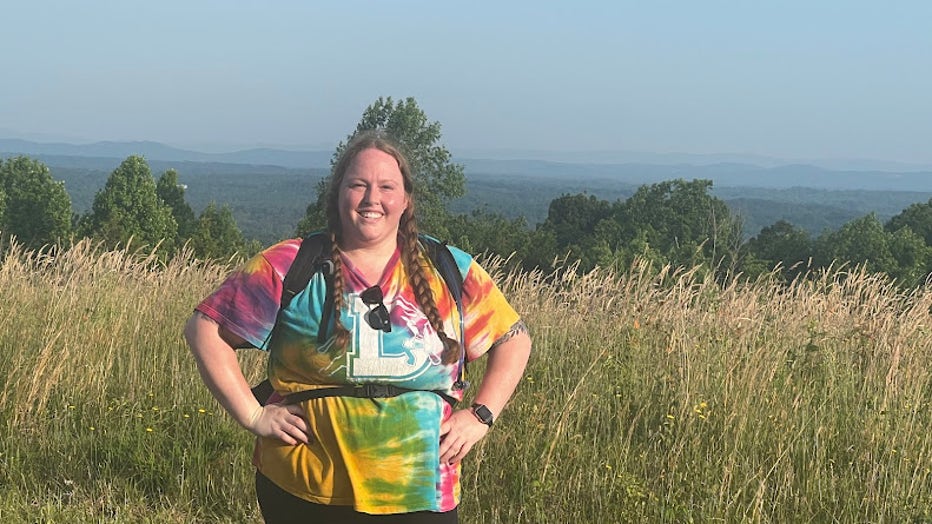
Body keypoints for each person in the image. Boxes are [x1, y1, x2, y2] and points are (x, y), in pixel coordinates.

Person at [184, 130, 532, 523]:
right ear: (337, 194)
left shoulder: (448, 267)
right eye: (358, 185)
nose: (372, 199)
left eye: (386, 187)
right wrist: (253, 415)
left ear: (405, 200)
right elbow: (204, 329)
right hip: (305, 485)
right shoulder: (290, 264)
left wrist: (481, 415)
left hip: (422, 489)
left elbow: (513, 340)